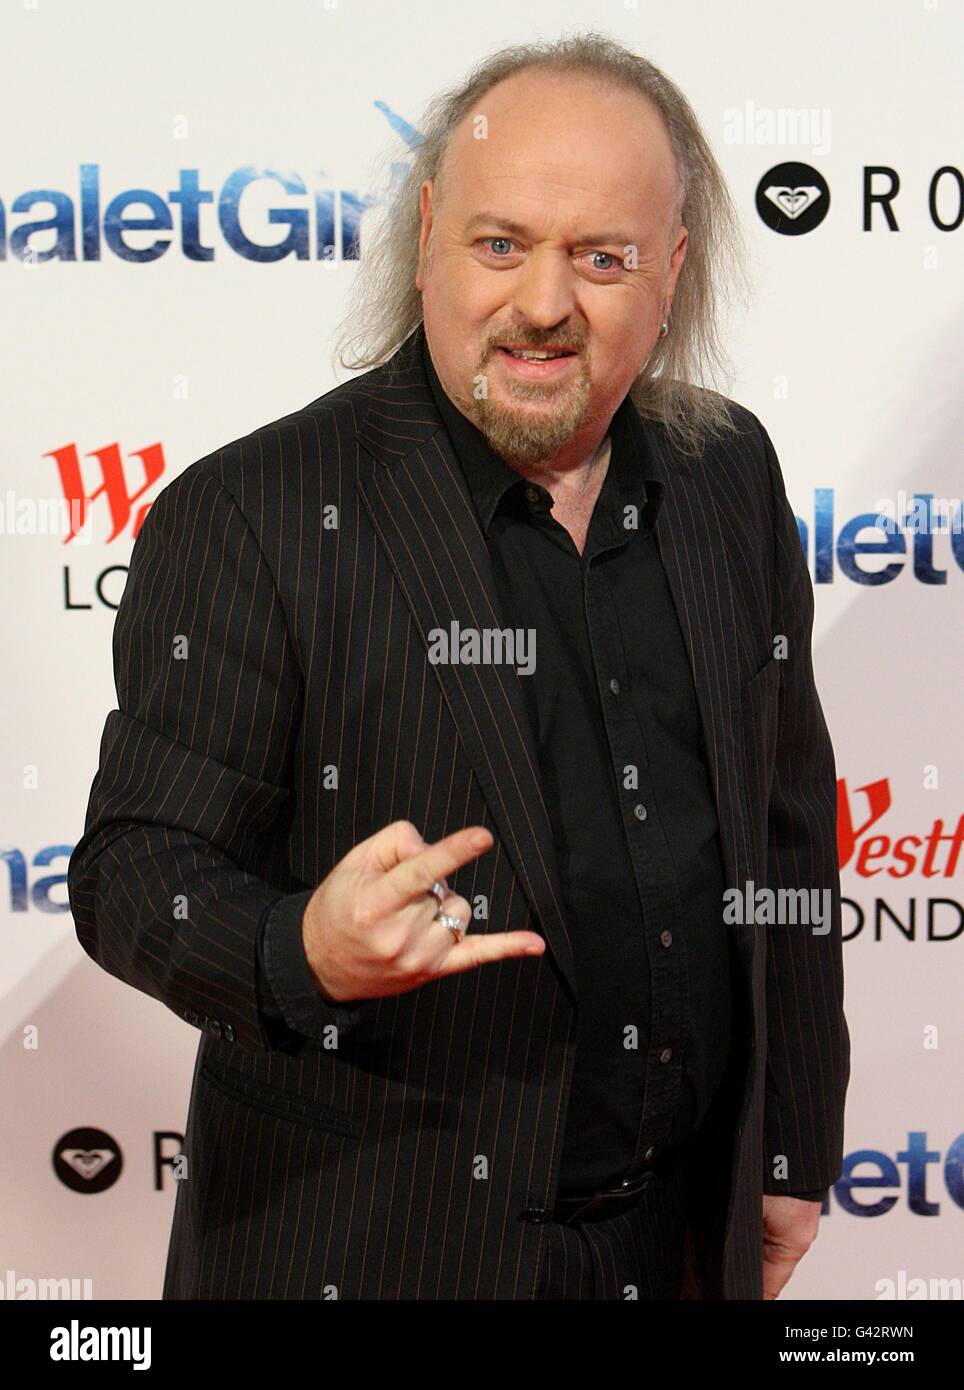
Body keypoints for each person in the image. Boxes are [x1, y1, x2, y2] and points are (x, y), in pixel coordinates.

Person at [68, 32, 850, 1300]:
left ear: (671, 274)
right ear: (429, 233)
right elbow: (130, 872)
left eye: (602, 257)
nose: (544, 304)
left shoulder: (726, 478)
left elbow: (785, 827)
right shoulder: (257, 510)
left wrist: (790, 1147)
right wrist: (297, 947)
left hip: (674, 1245)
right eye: (501, 244)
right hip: (376, 1252)